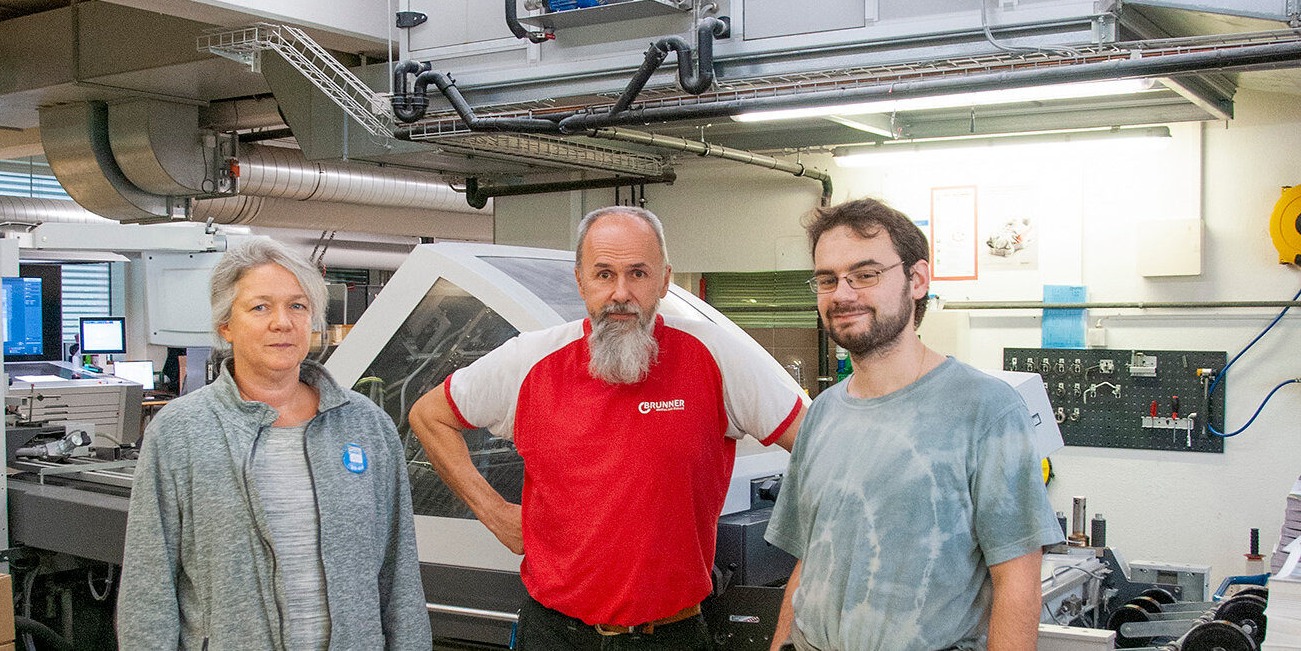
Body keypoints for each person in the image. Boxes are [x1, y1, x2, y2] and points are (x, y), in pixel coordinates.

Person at [408, 206, 808, 650]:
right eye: (604, 274)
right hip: (554, 635)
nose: (621, 293)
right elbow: (429, 416)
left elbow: (819, 449)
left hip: (670, 637)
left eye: (638, 273)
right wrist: (495, 512)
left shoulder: (714, 355)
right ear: (580, 281)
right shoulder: (529, 362)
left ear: (664, 280)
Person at [766, 198, 1062, 651]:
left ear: (917, 279)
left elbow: (1018, 583)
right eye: (828, 279)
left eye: (865, 274)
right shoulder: (822, 413)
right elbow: (811, 565)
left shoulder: (986, 410)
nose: (843, 294)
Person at [118, 238, 431, 650]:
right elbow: (149, 585)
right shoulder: (181, 431)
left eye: (297, 306)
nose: (282, 322)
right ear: (225, 325)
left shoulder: (365, 424)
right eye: (260, 307)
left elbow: (399, 573)